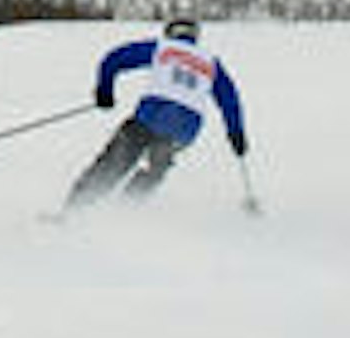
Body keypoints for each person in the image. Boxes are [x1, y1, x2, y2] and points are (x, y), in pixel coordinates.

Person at [64, 18, 247, 209]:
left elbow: (113, 59)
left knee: (115, 162)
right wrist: (236, 134)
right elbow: (229, 100)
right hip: (185, 129)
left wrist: (105, 92)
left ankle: (74, 210)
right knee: (155, 167)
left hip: (152, 116)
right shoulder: (211, 62)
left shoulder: (163, 47)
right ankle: (124, 214)